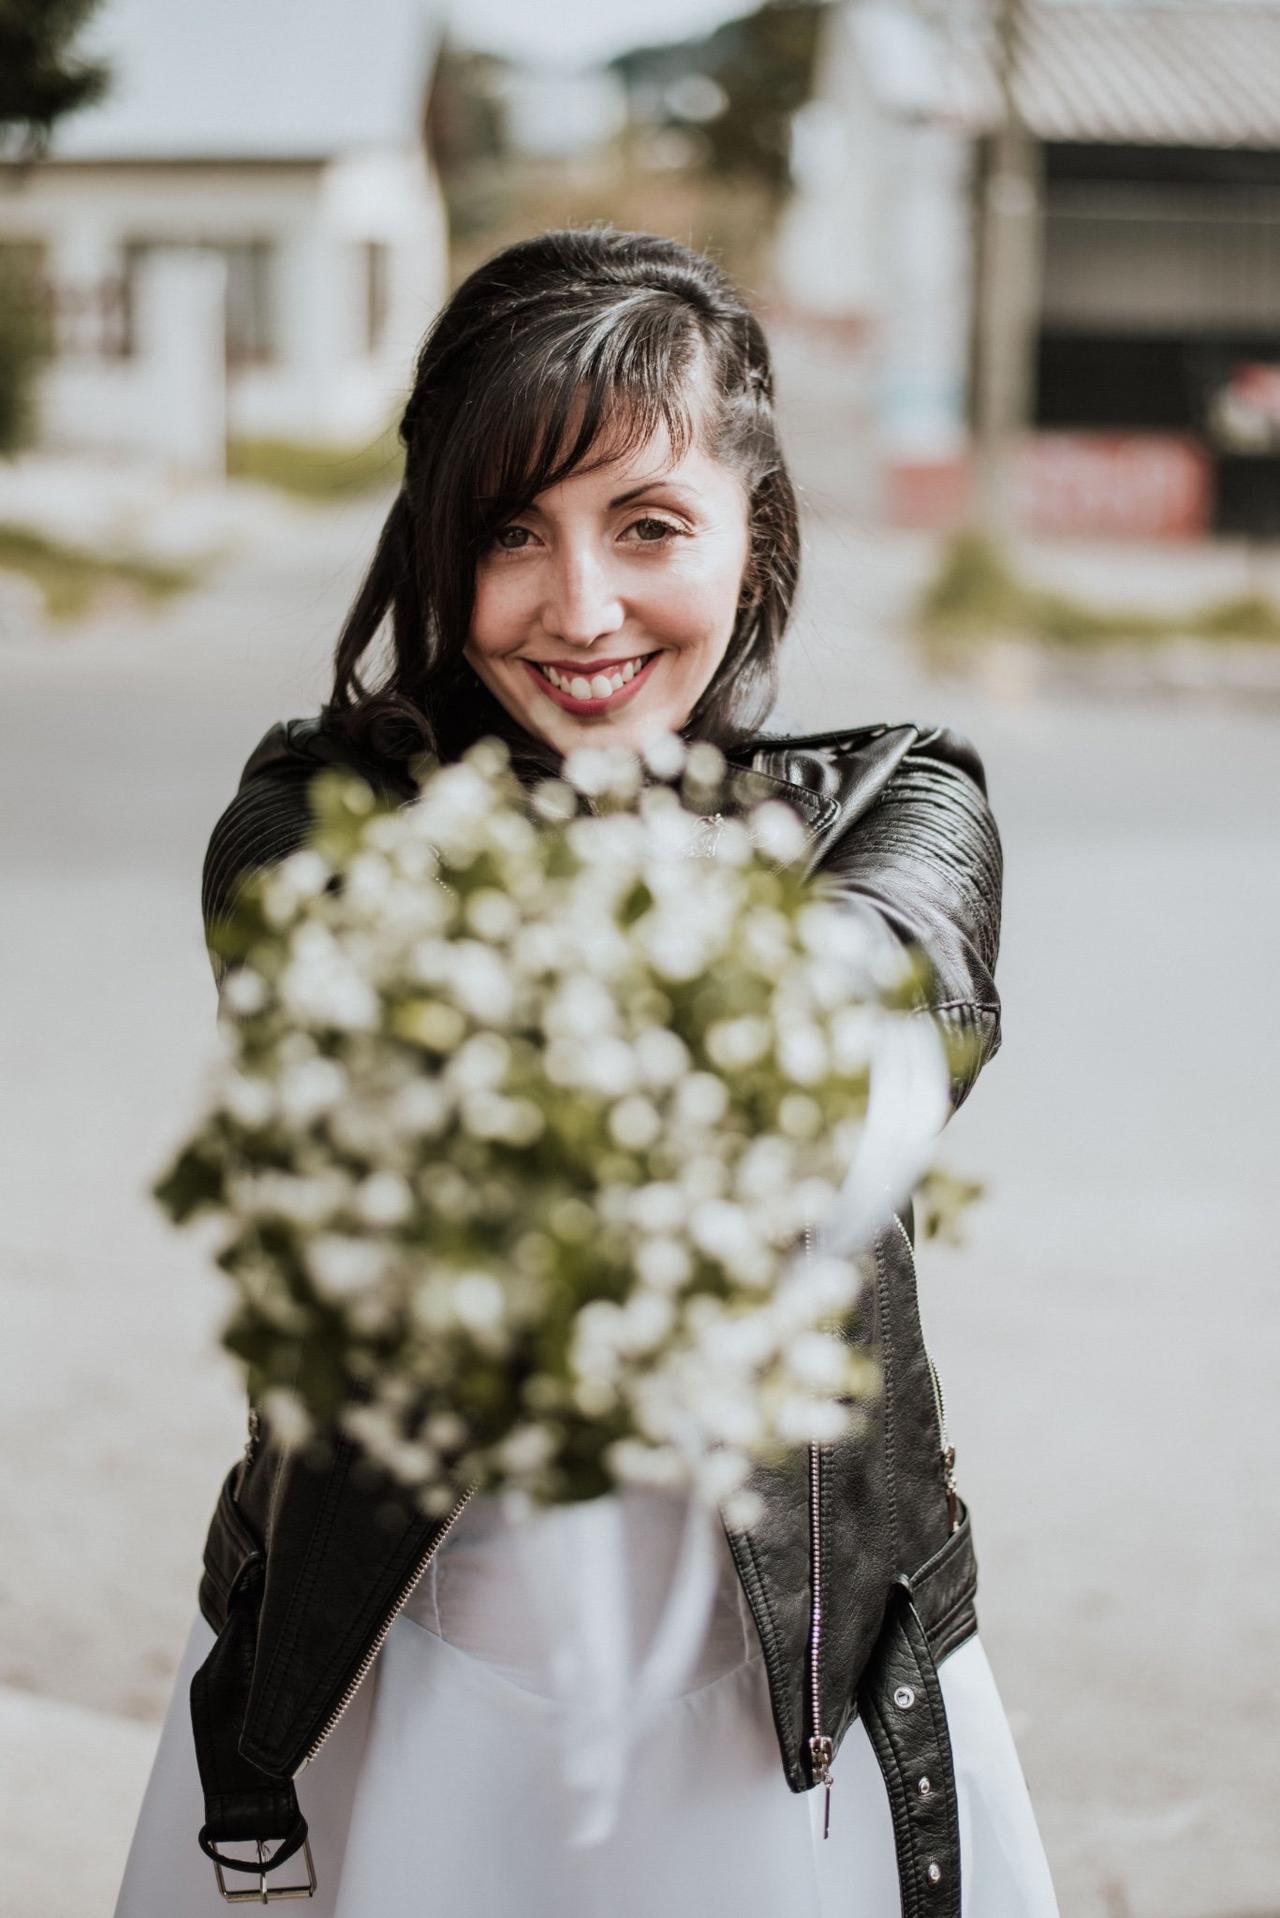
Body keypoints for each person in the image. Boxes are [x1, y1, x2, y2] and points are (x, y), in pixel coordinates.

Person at [114, 226, 1059, 1917]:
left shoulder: (901, 808)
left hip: (797, 1731)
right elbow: (323, 993)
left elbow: (873, 1046)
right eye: (511, 534)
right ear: (434, 551)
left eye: (647, 526)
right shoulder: (312, 807)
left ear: (753, 529)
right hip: (375, 1688)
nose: (583, 607)